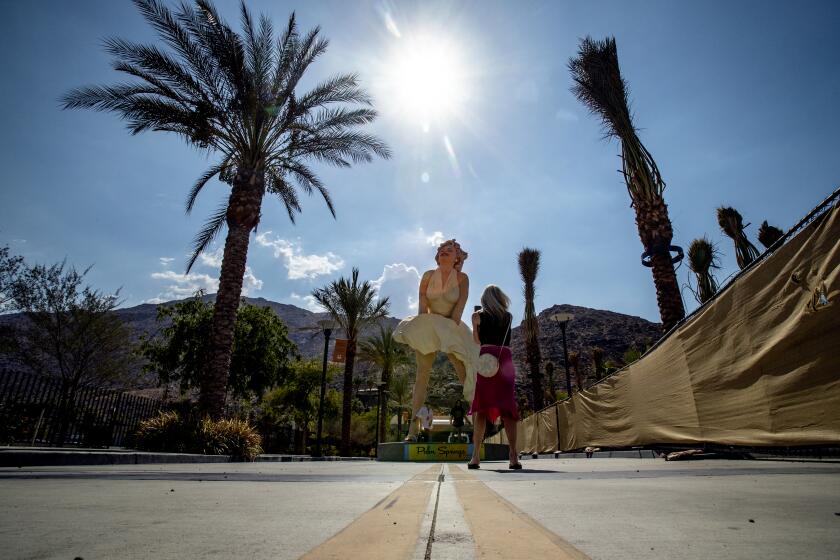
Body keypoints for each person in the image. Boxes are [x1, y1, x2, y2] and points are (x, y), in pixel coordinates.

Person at [394, 239, 479, 441]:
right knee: (421, 375)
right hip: (429, 325)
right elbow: (422, 308)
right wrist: (420, 334)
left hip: (451, 326)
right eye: (441, 250)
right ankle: (412, 431)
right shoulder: (427, 276)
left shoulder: (463, 278)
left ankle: (478, 426)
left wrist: (446, 336)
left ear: (456, 257)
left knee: (463, 372)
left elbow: (458, 312)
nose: (443, 252)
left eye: (449, 250)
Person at [468, 285, 522, 469]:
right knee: (508, 410)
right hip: (504, 360)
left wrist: (474, 324)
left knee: (481, 409)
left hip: (486, 361)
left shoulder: (479, 316)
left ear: (484, 299)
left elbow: (477, 341)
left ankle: (475, 456)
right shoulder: (508, 317)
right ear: (500, 298)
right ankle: (513, 456)